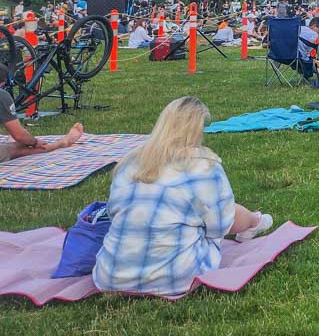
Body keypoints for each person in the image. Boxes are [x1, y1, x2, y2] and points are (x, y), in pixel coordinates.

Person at [92, 97, 272, 296]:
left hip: (110, 276)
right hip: (176, 278)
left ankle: (254, 221)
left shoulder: (130, 163)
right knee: (213, 218)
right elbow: (222, 224)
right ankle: (255, 221)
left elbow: (113, 213)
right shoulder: (204, 166)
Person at [0, 83, 85, 162]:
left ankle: (14, 143)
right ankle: (62, 142)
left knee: (19, 143)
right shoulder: (2, 95)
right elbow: (19, 136)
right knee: (20, 149)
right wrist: (35, 142)